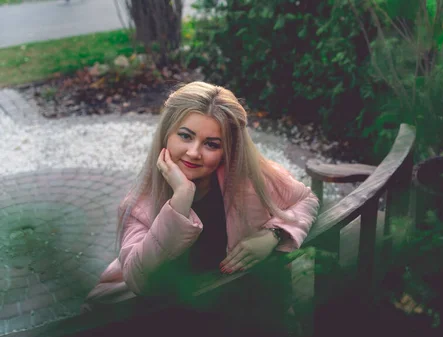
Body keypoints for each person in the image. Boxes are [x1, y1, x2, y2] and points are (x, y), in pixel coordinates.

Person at [81, 81, 320, 336]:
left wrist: (273, 235)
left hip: (245, 316)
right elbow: (140, 280)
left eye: (212, 144)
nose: (194, 153)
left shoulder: (251, 178)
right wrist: (181, 199)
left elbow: (306, 200)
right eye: (185, 136)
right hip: (170, 321)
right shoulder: (140, 203)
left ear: (227, 149)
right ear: (166, 135)